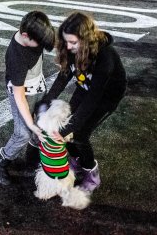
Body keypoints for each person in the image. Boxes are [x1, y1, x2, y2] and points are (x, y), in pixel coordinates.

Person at [39, 12, 127, 193]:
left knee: (78, 134)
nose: (68, 46)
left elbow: (92, 100)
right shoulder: (70, 48)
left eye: (73, 43)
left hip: (106, 96)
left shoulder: (106, 58)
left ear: (86, 41)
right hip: (85, 86)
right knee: (68, 129)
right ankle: (78, 160)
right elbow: (64, 76)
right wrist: (45, 101)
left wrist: (65, 130)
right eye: (66, 42)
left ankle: (92, 175)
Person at [0, 11, 56, 186]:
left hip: (38, 86)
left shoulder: (36, 33)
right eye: (38, 44)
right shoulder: (17, 56)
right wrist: (30, 125)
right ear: (25, 35)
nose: (40, 47)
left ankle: (32, 159)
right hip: (21, 93)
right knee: (23, 133)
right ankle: (2, 161)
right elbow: (19, 95)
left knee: (41, 127)